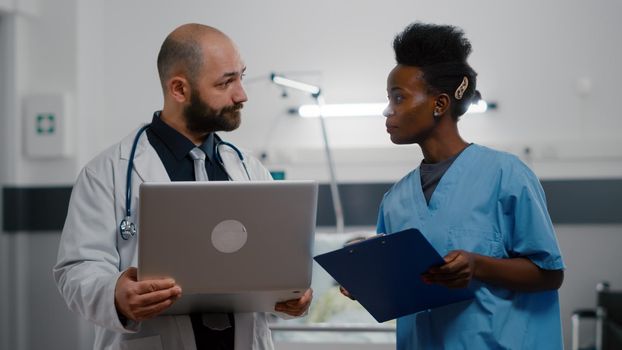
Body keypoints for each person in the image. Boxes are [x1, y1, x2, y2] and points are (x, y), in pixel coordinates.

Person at [53, 23, 312, 350]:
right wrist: (115, 294)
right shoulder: (107, 173)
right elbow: (76, 270)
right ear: (179, 89)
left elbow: (276, 267)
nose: (242, 94)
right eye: (226, 82)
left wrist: (293, 297)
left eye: (241, 77)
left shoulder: (248, 169)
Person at [343, 22, 565, 349]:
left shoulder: (506, 175)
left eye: (399, 98)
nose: (387, 110)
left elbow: (550, 274)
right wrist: (370, 283)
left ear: (440, 104)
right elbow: (402, 288)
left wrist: (478, 265)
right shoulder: (395, 200)